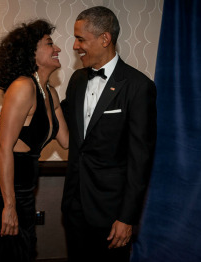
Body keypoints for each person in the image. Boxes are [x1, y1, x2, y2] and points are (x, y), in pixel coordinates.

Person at [61, 6, 157, 262]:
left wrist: (126, 218)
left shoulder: (138, 87)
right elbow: (60, 121)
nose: (74, 46)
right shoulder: (77, 81)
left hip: (112, 214)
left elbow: (140, 160)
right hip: (74, 207)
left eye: (80, 38)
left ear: (105, 38)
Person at [0, 19, 68, 262]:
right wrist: (9, 206)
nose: (57, 48)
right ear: (31, 53)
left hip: (24, 190)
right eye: (49, 44)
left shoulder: (50, 92)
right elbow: (4, 148)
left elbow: (67, 141)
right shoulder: (23, 86)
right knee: (9, 254)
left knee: (24, 252)